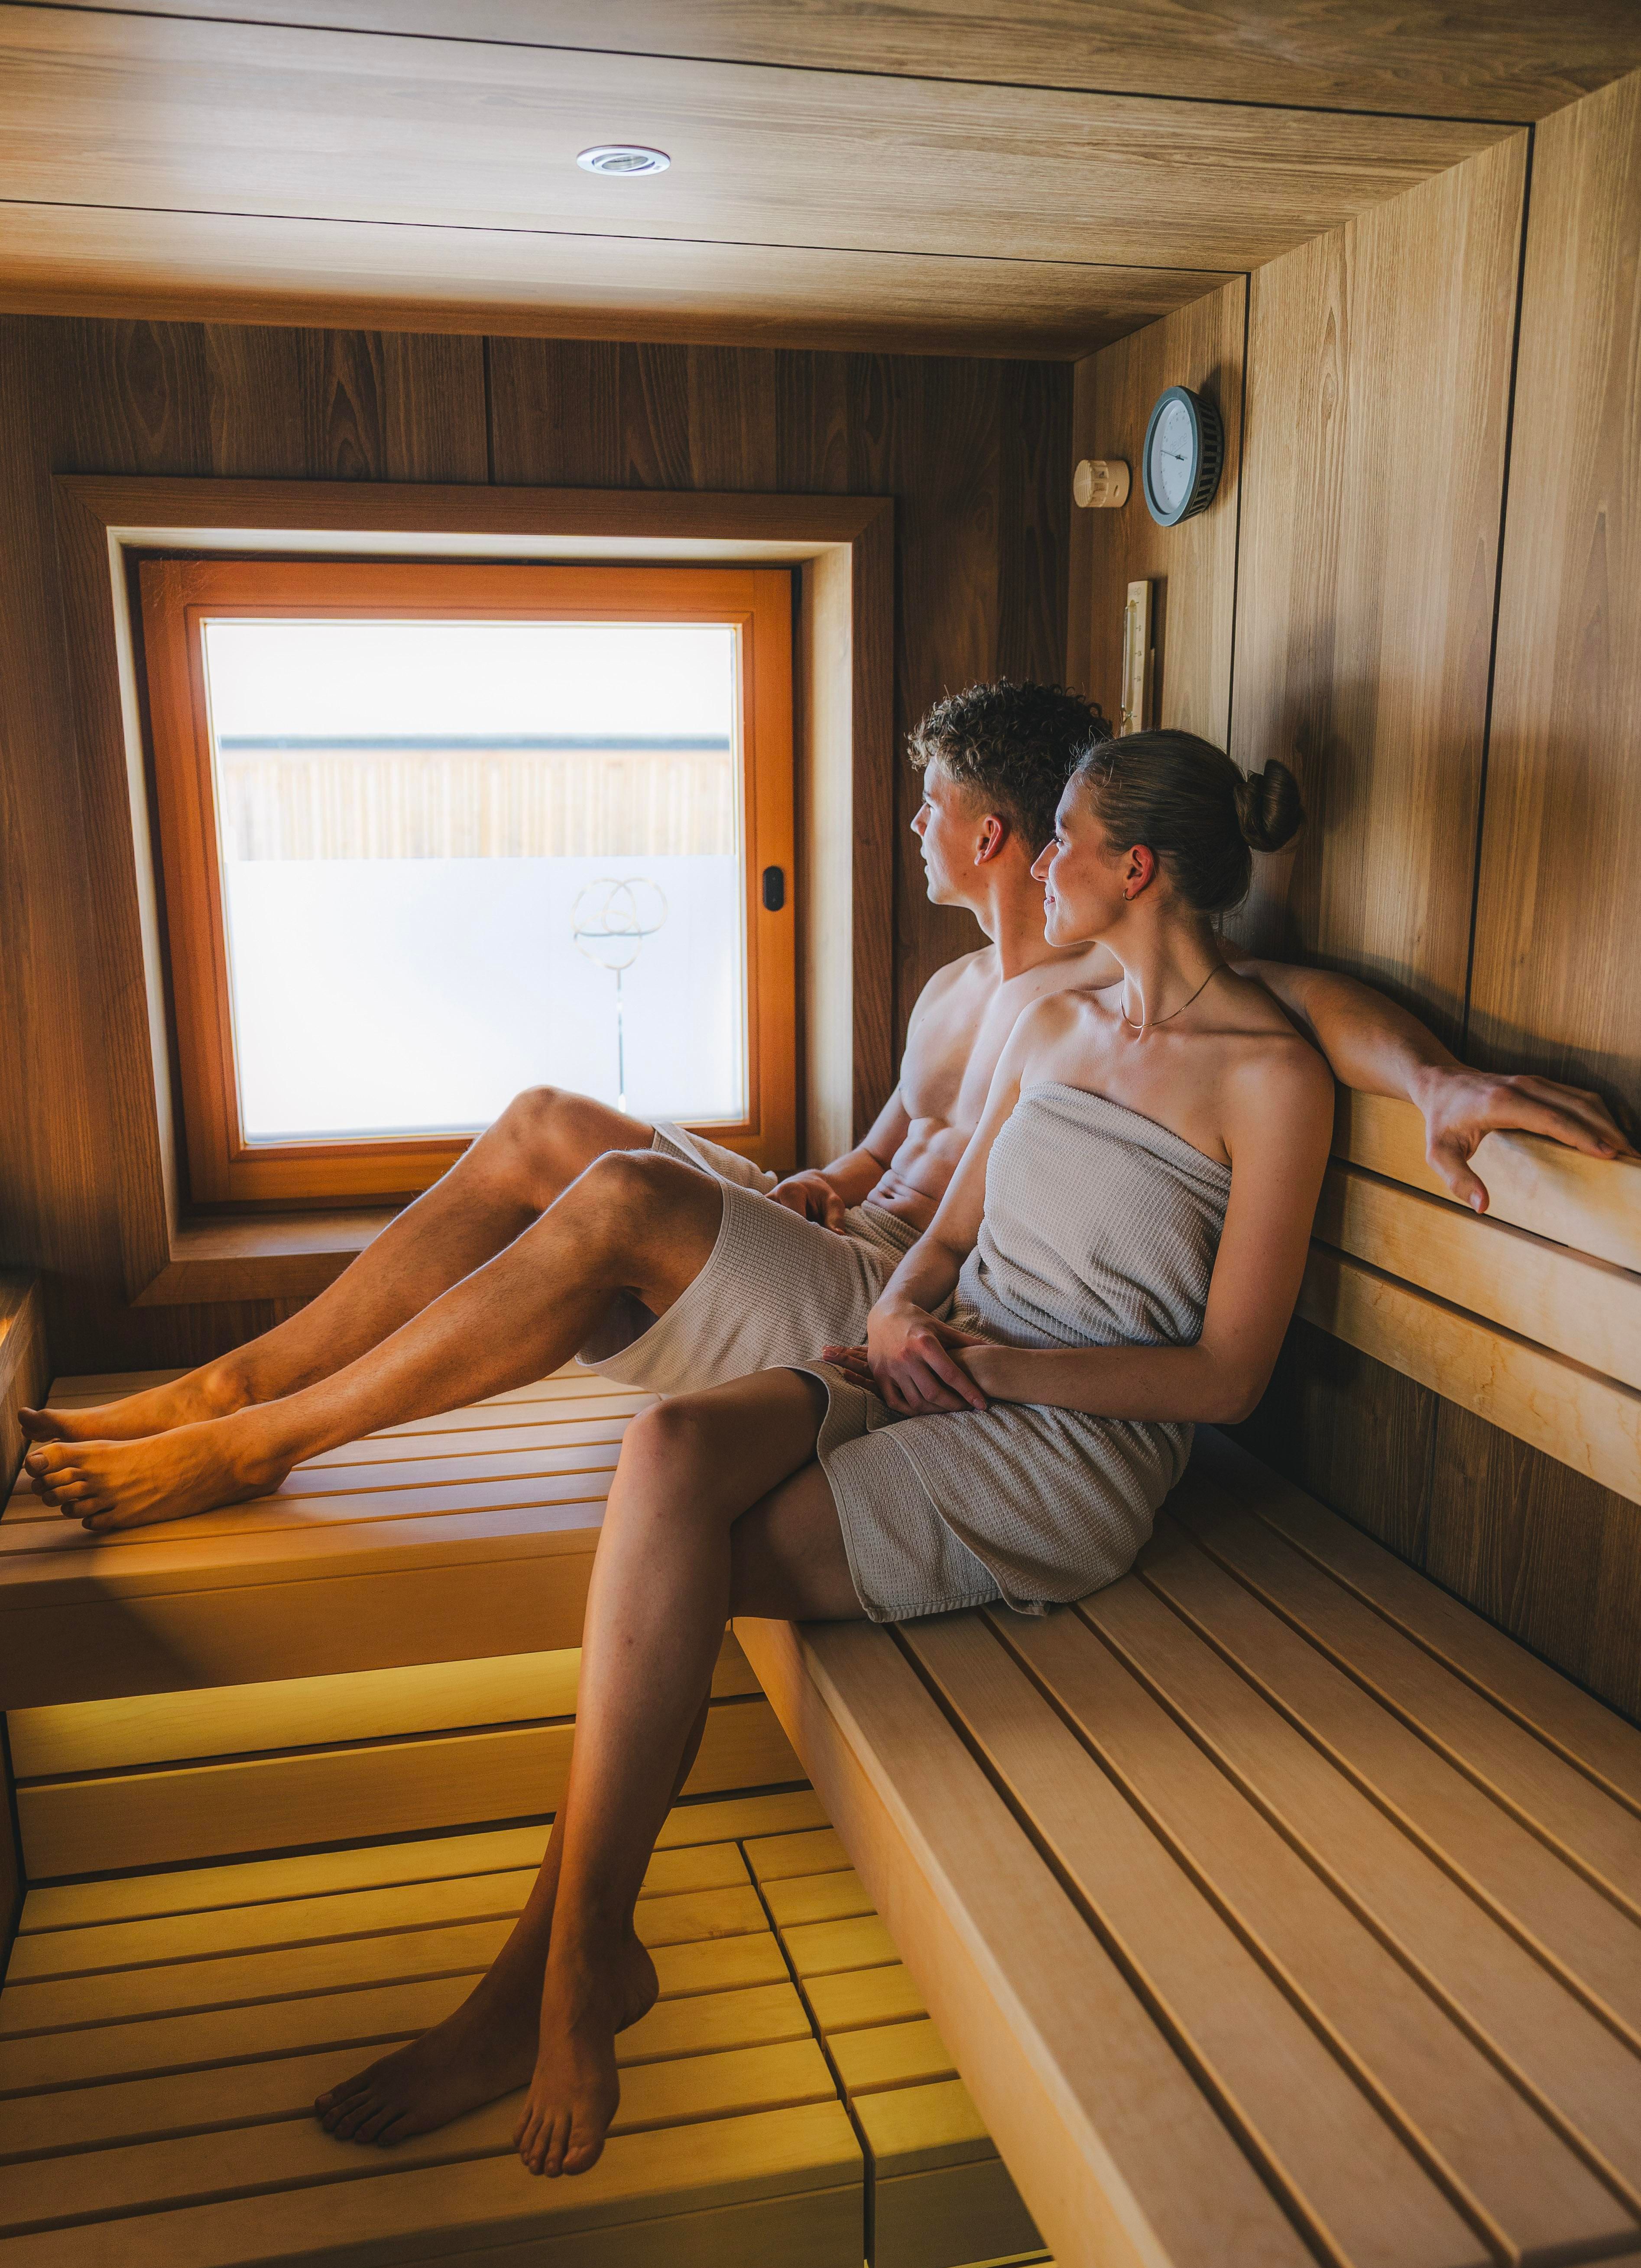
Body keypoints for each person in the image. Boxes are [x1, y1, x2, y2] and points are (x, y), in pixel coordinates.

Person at [309, 727, 1339, 2180]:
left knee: (674, 1575)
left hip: (1068, 1445)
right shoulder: (1052, 1026)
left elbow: (1226, 1377)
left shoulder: (1272, 1083)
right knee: (669, 1451)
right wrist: (906, 1308)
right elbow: (946, 1237)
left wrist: (986, 1365)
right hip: (934, 1358)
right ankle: (581, 1963)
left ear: (1137, 869)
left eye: (1063, 838)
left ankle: (553, 1972)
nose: (1042, 861)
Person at [19, 684, 1627, 1533]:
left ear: (1016, 835)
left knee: (618, 1201)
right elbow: (886, 1152)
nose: (913, 828)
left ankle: (261, 1440)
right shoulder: (965, 987)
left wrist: (1436, 1075)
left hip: (889, 1298)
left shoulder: (1100, 983)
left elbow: (1304, 997)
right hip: (854, 1239)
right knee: (540, 1120)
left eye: (935, 807)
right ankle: (232, 1377)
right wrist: (828, 1177)